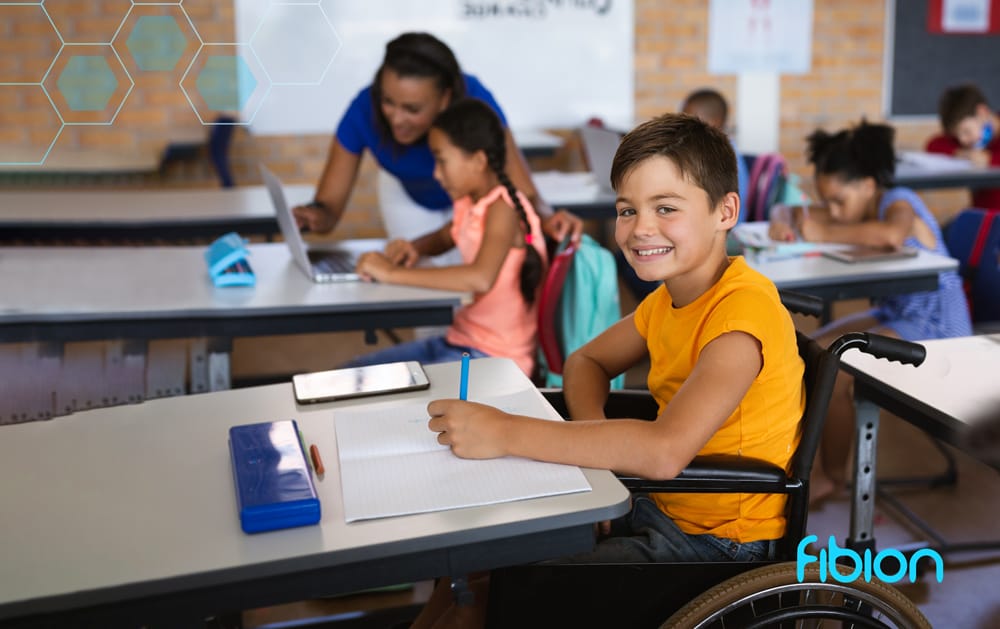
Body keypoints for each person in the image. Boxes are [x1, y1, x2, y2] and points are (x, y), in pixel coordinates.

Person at [412, 113, 806, 629]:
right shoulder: (670, 298)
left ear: (725, 211)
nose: (641, 228)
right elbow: (587, 362)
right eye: (627, 209)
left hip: (718, 544)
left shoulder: (740, 317)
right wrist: (593, 451)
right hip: (656, 506)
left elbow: (664, 452)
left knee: (484, 602)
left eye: (665, 208)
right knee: (467, 569)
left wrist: (505, 432)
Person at [770, 119, 972, 504]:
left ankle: (832, 477)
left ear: (867, 185)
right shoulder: (859, 207)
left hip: (939, 329)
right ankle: (793, 463)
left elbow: (892, 235)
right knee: (808, 347)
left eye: (838, 201)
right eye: (826, 200)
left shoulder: (899, 200)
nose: (832, 209)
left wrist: (822, 231)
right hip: (897, 315)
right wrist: (784, 222)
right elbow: (787, 208)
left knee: (836, 363)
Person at [291, 32, 582, 260]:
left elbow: (522, 189)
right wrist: (314, 216)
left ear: (445, 98)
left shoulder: (476, 101)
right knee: (421, 285)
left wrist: (547, 217)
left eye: (412, 108)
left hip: (471, 201)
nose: (396, 118)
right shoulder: (363, 109)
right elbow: (329, 208)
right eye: (388, 101)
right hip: (407, 194)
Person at [346, 98, 547, 378]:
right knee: (350, 375)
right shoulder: (471, 202)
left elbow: (480, 278)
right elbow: (445, 236)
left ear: (478, 161)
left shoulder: (503, 209)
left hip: (495, 359)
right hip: (460, 342)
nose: (436, 174)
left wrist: (391, 273)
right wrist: (413, 248)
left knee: (369, 389)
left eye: (441, 161)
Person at [925, 83, 1000, 211]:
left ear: (982, 112)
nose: (963, 140)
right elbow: (933, 145)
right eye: (957, 135)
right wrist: (961, 153)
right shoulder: (971, 142)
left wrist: (990, 160)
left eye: (966, 131)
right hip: (981, 216)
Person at [681, 88, 750, 205]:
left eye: (689, 122)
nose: (682, 128)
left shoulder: (718, 156)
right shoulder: (724, 148)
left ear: (714, 122)